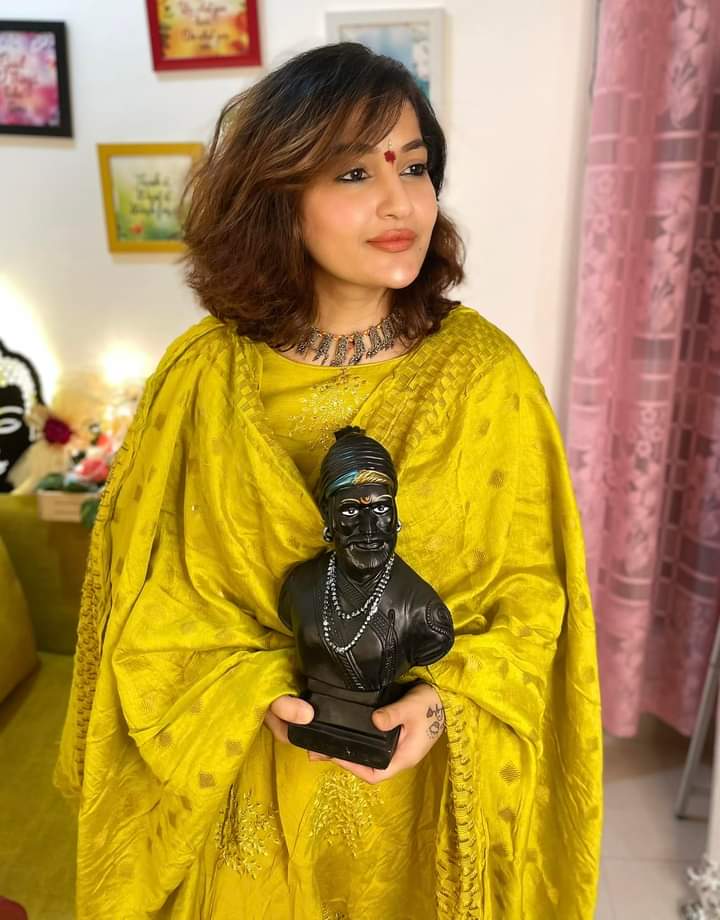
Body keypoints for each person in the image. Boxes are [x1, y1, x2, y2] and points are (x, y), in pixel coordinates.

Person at [55, 42, 602, 919]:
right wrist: (252, 689)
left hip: (424, 808)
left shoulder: (487, 377)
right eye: (354, 172)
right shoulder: (201, 378)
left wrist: (445, 704)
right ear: (276, 194)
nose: (400, 202)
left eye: (414, 167)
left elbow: (538, 602)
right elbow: (149, 602)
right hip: (246, 791)